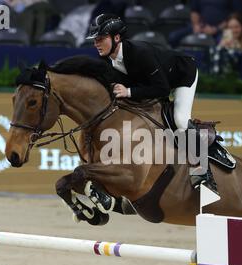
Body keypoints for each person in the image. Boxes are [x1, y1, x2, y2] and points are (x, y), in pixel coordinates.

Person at [86, 14, 219, 193]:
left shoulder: (140, 53)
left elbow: (162, 89)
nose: (96, 43)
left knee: (180, 119)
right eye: (95, 40)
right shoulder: (106, 60)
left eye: (100, 38)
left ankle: (203, 171)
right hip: (153, 83)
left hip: (181, 75)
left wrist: (129, 91)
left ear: (116, 38)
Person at [168, 0, 233, 47]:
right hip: (200, 27)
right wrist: (196, 25)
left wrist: (216, 29)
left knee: (221, 43)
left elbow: (233, 16)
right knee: (173, 37)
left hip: (221, 29)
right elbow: (194, 12)